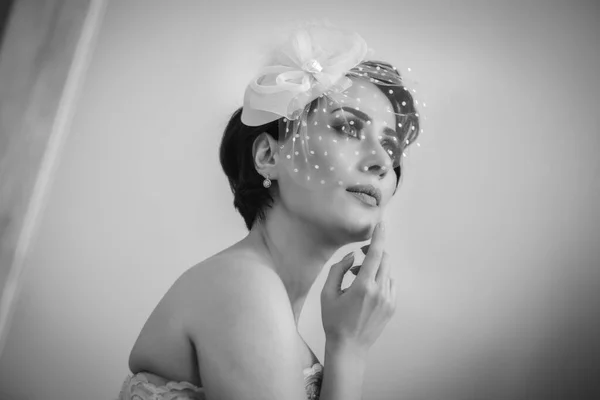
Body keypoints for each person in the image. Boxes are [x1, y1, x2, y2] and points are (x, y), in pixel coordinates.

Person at [117, 24, 421, 400]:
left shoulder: (260, 297)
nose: (381, 162)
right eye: (348, 127)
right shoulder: (242, 285)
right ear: (268, 156)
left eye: (391, 149)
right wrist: (349, 351)